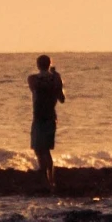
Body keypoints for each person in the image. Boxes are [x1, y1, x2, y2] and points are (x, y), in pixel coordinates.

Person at [27, 54, 65, 188]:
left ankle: (46, 178)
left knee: (39, 149)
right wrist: (56, 79)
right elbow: (62, 98)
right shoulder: (53, 80)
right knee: (45, 150)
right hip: (50, 117)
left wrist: (56, 79)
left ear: (38, 65)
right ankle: (49, 178)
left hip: (40, 118)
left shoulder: (34, 79)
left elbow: (35, 86)